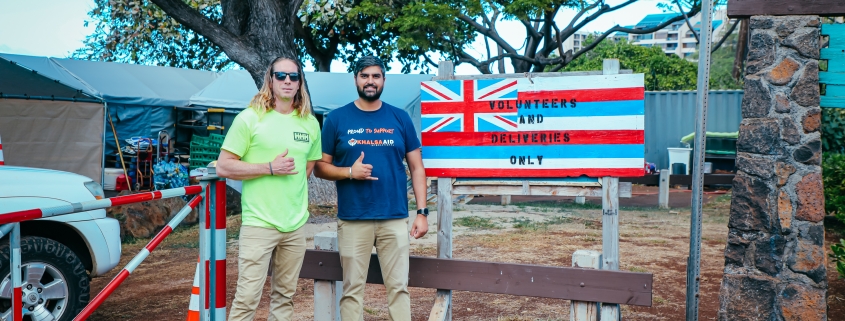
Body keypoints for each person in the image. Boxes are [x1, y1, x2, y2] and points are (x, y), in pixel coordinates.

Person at [315, 55, 429, 321]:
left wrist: (422, 212)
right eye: (364, 75)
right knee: (353, 290)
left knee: (399, 288)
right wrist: (349, 173)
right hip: (354, 219)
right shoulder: (336, 119)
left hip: (394, 218)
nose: (370, 81)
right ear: (355, 79)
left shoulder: (399, 118)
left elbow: (417, 167)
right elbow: (320, 167)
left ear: (384, 80)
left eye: (375, 76)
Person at [216, 56, 321, 321]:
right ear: (270, 80)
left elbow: (307, 168)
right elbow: (224, 167)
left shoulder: (310, 123)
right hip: (259, 222)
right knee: (247, 298)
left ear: (300, 83)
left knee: (285, 298)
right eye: (281, 76)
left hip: (295, 225)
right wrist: (269, 168)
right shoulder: (249, 118)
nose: (287, 81)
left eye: (293, 77)